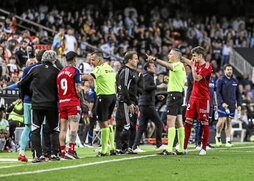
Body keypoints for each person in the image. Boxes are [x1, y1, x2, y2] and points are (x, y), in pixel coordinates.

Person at [18, 50, 60, 163]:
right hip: (52, 104)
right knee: (53, 129)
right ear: (54, 60)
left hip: (37, 104)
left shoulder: (35, 69)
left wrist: (30, 93)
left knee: (36, 129)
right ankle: (54, 154)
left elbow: (21, 84)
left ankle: (38, 156)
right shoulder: (57, 71)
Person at [147, 48, 186, 155]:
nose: (169, 56)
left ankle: (169, 149)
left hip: (174, 95)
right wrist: (168, 80)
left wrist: (155, 59)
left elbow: (168, 66)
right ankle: (181, 148)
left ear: (176, 56)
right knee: (179, 122)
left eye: (171, 54)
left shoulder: (177, 65)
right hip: (179, 94)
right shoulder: (181, 67)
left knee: (170, 121)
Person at [82, 51, 117, 157]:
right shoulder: (110, 68)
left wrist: (74, 76)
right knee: (107, 121)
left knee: (102, 122)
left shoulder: (99, 68)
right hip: (112, 96)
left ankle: (103, 150)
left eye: (93, 59)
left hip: (103, 97)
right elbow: (115, 84)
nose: (91, 62)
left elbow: (88, 78)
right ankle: (112, 148)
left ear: (100, 60)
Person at [182, 46, 212, 155]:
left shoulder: (207, 66)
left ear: (200, 55)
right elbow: (186, 60)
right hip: (193, 97)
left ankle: (203, 147)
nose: (193, 58)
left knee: (204, 123)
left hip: (203, 98)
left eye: (194, 55)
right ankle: (184, 147)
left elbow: (197, 78)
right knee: (188, 122)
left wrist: (192, 66)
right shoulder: (195, 63)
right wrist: (179, 57)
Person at [132, 62, 167, 153]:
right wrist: (158, 86)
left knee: (142, 127)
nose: (155, 67)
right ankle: (159, 144)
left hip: (144, 104)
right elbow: (146, 87)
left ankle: (135, 146)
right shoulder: (148, 76)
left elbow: (146, 91)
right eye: (152, 66)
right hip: (147, 105)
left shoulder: (147, 76)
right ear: (148, 68)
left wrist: (156, 96)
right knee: (159, 123)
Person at [57, 51, 82, 159]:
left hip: (62, 102)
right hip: (72, 102)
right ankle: (71, 150)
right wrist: (82, 99)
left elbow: (58, 89)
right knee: (73, 127)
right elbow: (78, 88)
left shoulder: (60, 72)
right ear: (75, 59)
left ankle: (63, 152)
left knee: (62, 129)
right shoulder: (75, 71)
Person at [115, 51, 140, 154]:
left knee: (132, 125)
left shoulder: (132, 71)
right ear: (129, 60)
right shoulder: (125, 70)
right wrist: (129, 103)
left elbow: (133, 89)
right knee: (126, 124)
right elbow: (124, 88)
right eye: (135, 58)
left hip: (132, 101)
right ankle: (123, 148)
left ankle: (129, 147)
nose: (137, 60)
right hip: (125, 101)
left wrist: (136, 103)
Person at [215, 64, 241, 147]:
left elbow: (238, 94)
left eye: (231, 69)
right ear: (224, 71)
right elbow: (217, 93)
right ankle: (218, 136)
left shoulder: (235, 81)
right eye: (228, 69)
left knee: (229, 122)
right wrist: (221, 103)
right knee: (221, 121)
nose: (229, 71)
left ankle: (228, 140)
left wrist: (239, 104)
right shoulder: (220, 80)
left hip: (232, 104)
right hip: (222, 104)